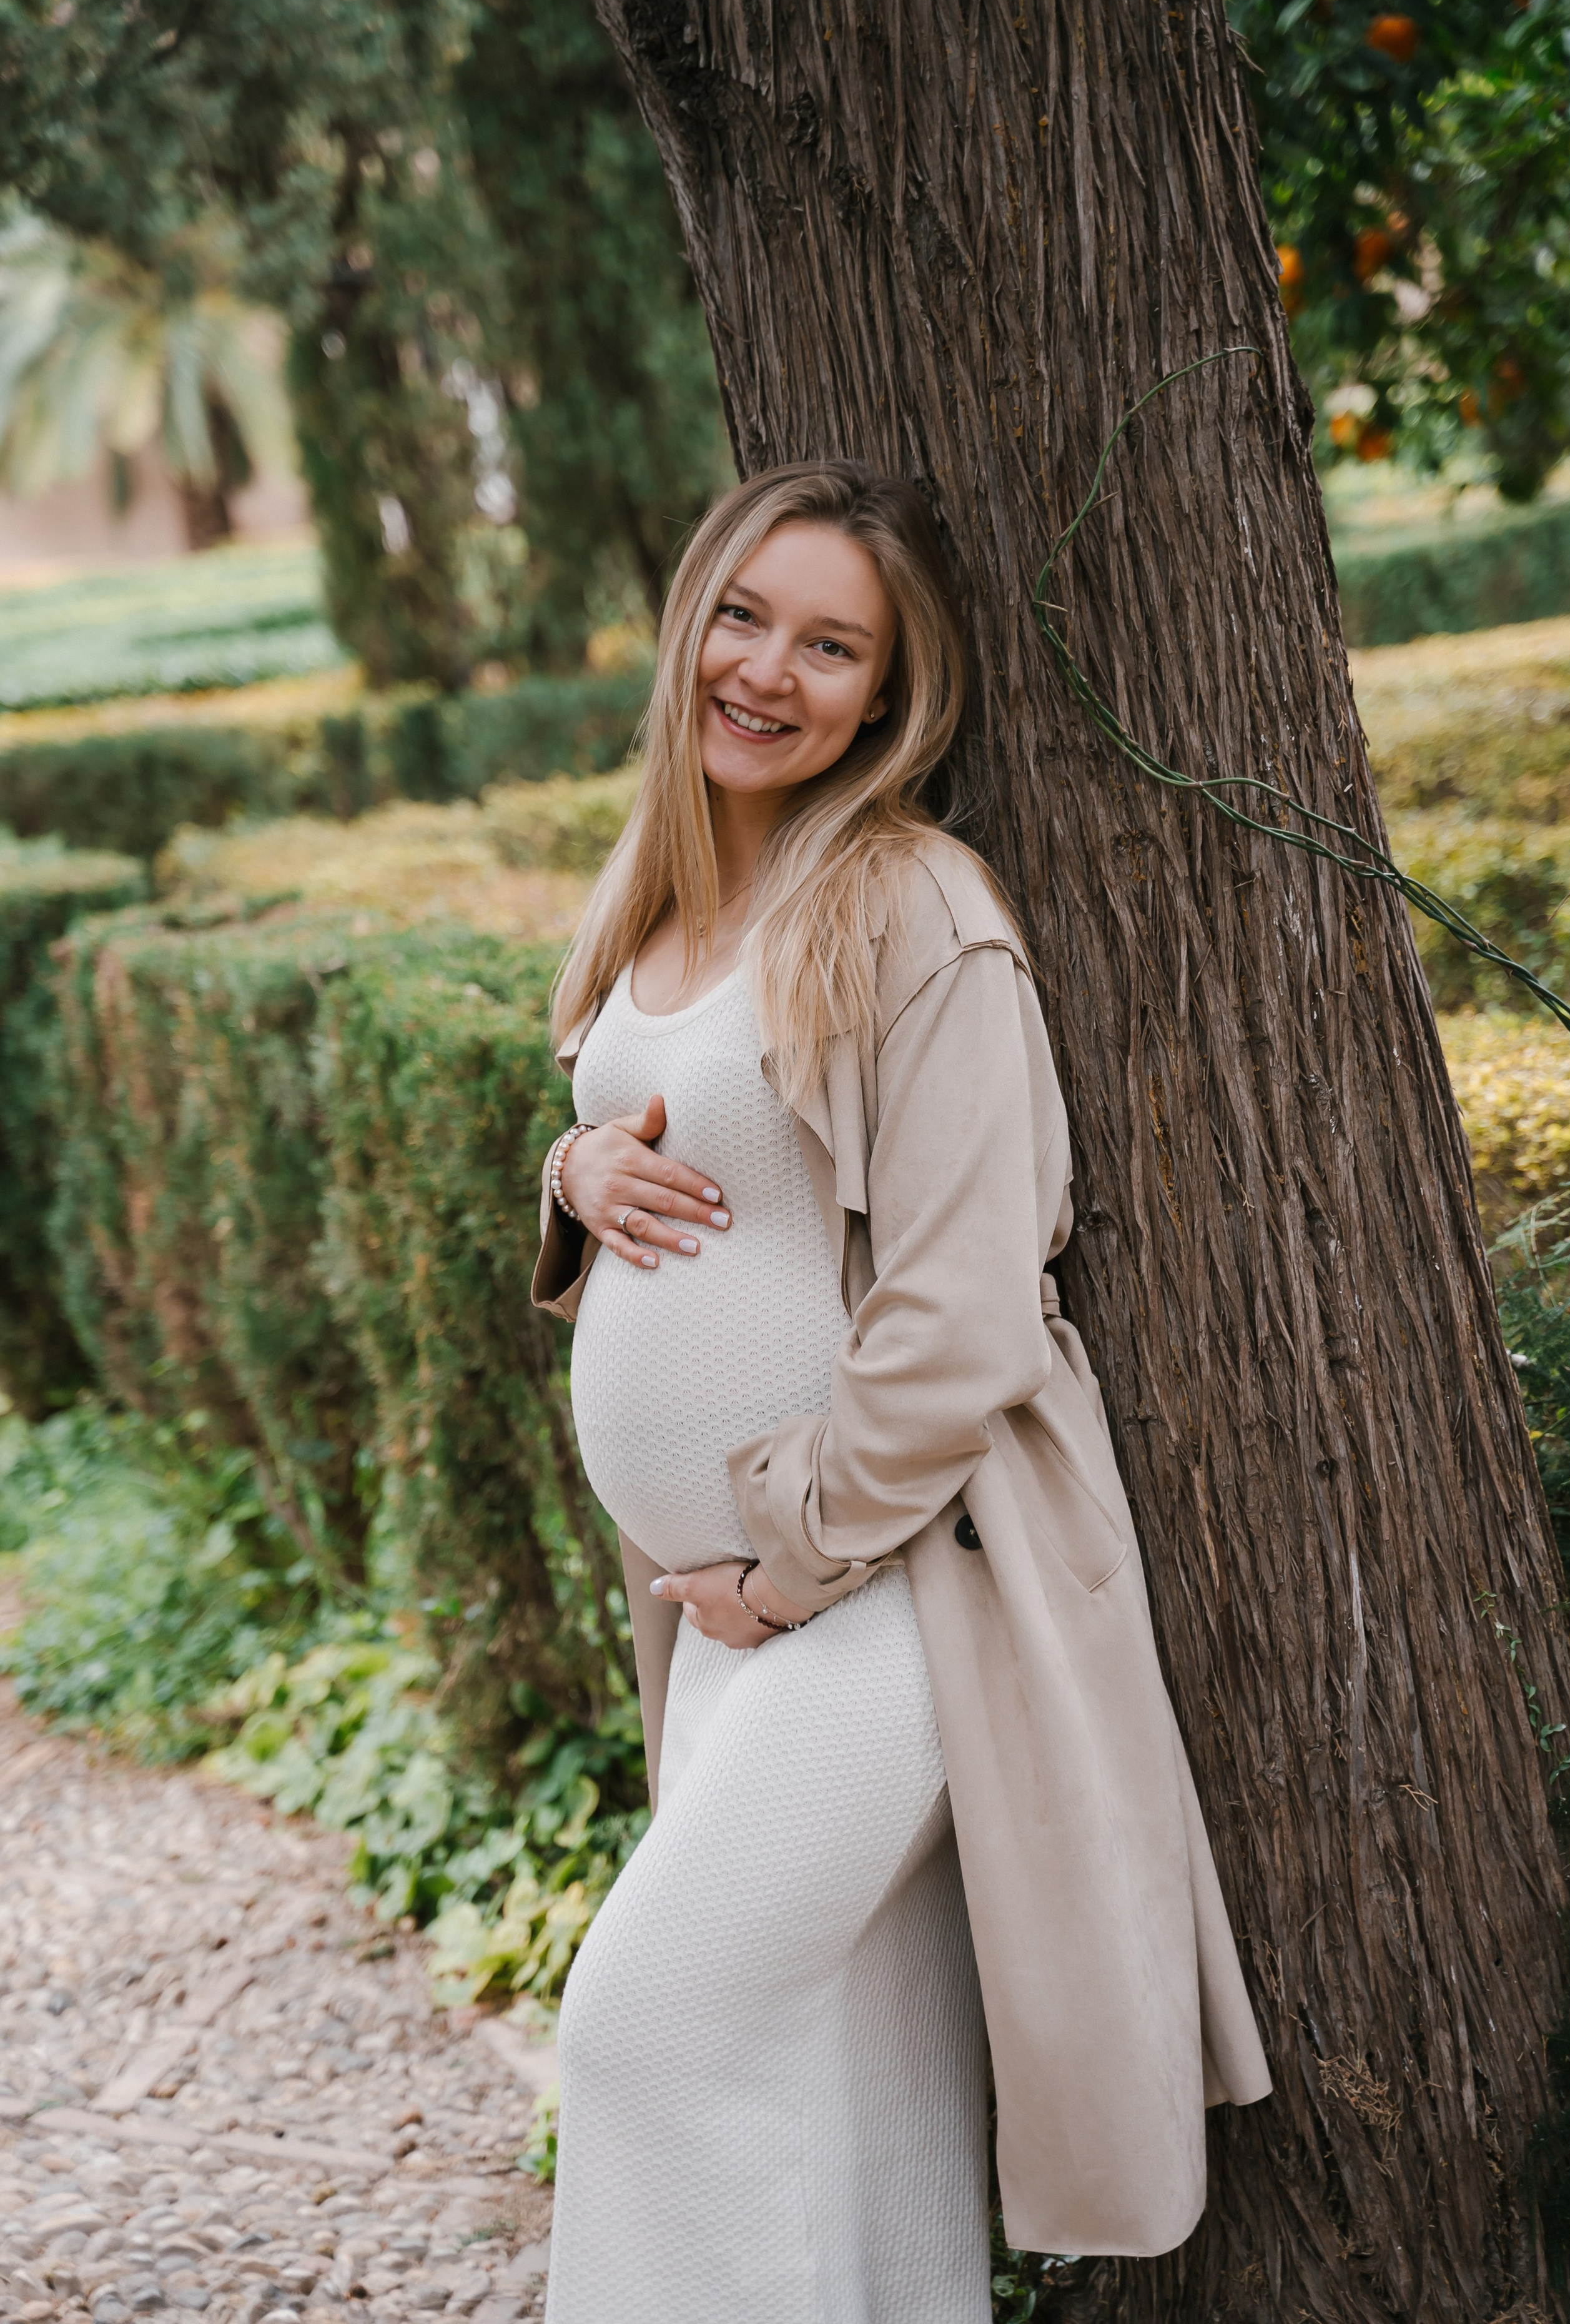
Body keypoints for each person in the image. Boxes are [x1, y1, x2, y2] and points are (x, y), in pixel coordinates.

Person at [530, 460, 1271, 2324]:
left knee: (646, 2029)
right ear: (689, 622)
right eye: (743, 617)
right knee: (836, 2084)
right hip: (739, 1611)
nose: (767, 672)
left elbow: (964, 1309)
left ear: (890, 693)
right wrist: (572, 1172)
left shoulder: (914, 905)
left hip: (889, 1590)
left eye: (830, 646)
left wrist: (787, 1562)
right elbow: (661, 1133)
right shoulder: (663, 886)